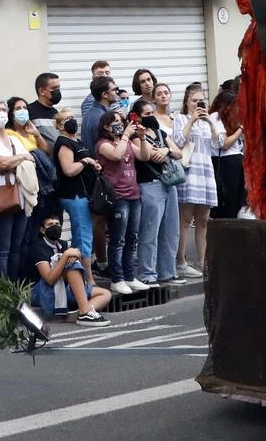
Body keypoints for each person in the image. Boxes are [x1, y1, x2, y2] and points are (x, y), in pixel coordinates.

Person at [0, 97, 33, 282]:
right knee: (2, 249)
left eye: (4, 110)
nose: (2, 113)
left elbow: (30, 159)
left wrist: (16, 159)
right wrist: (19, 158)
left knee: (16, 247)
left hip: (19, 196)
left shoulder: (11, 139)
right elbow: (1, 163)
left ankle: (14, 288)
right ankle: (2, 291)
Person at [25, 209, 110, 325]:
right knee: (71, 265)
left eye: (57, 224)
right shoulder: (38, 247)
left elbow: (73, 257)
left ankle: (80, 313)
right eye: (50, 225)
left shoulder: (63, 244)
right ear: (42, 230)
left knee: (105, 294)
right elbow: (49, 279)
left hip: (62, 286)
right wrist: (66, 256)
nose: (55, 227)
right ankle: (85, 312)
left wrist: (75, 255)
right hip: (38, 290)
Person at [131, 97, 180, 287]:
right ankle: (147, 274)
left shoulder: (161, 132)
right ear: (138, 117)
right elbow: (152, 156)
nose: (151, 116)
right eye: (147, 114)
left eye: (152, 113)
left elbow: (178, 153)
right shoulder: (137, 136)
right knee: (150, 232)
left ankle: (168, 272)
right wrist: (166, 152)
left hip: (169, 184)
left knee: (170, 230)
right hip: (149, 185)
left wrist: (167, 150)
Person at [173, 83, 221, 277]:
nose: (197, 104)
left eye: (200, 101)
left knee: (203, 220)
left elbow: (219, 144)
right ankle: (181, 260)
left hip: (206, 172)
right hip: (190, 172)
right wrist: (191, 120)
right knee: (185, 219)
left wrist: (209, 122)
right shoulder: (181, 118)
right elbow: (178, 141)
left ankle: (203, 261)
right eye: (193, 101)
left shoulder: (208, 120)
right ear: (186, 102)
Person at [94, 108, 142, 292]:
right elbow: (116, 155)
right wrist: (125, 136)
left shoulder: (127, 141)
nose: (120, 124)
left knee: (132, 237)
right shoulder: (103, 144)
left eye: (121, 121)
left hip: (134, 194)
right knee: (118, 239)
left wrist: (143, 138)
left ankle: (129, 276)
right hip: (118, 197)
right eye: (115, 121)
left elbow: (144, 156)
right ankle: (117, 278)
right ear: (106, 125)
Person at [50, 111, 97, 269]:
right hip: (74, 195)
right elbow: (68, 169)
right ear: (59, 126)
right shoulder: (64, 143)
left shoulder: (76, 141)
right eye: (66, 119)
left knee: (82, 236)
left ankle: (78, 272)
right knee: (83, 237)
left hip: (84, 194)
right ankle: (88, 279)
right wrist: (85, 161)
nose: (71, 121)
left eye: (72, 117)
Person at [207, 82, 246, 220]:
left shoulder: (230, 120)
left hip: (235, 160)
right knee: (228, 201)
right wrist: (241, 129)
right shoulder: (216, 117)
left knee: (237, 201)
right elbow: (224, 144)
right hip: (225, 161)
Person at [80, 74, 121, 152]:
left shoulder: (90, 113)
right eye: (113, 90)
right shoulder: (101, 118)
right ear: (105, 94)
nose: (116, 92)